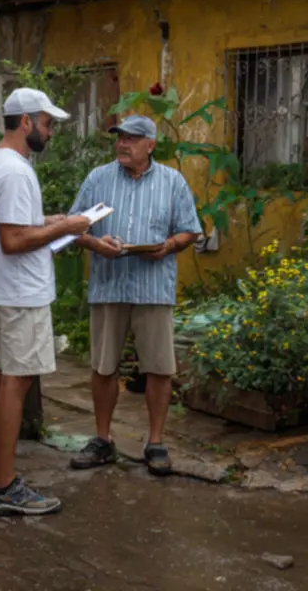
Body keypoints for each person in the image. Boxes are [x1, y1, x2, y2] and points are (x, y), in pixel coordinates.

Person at [0, 88, 91, 516]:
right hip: (21, 292)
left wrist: (54, 221)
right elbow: (13, 239)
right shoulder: (18, 172)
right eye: (47, 123)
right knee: (15, 383)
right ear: (26, 122)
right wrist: (72, 226)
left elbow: (13, 223)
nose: (50, 131)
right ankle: (5, 488)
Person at [68, 114, 202, 477]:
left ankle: (155, 442)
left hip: (153, 286)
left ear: (151, 145)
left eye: (132, 138)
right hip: (109, 283)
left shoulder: (173, 182)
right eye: (120, 137)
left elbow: (191, 230)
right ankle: (101, 440)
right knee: (103, 365)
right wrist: (96, 242)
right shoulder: (98, 178)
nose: (123, 144)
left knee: (159, 367)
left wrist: (168, 245)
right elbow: (72, 226)